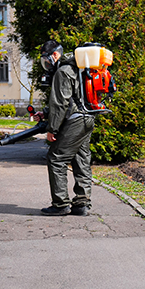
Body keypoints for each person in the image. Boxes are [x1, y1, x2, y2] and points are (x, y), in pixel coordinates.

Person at [38, 40, 95, 216]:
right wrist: (46, 112)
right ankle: (81, 204)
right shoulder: (79, 68)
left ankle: (60, 204)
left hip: (75, 121)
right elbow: (74, 99)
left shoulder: (63, 72)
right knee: (81, 159)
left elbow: (60, 103)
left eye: (46, 59)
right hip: (88, 118)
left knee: (56, 158)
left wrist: (52, 129)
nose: (47, 64)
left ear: (55, 54)